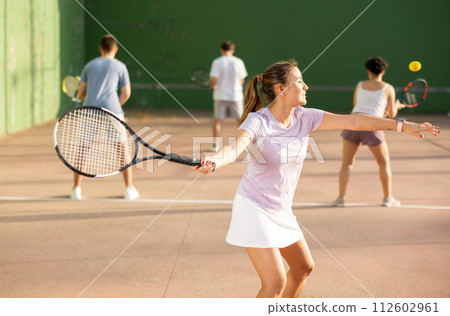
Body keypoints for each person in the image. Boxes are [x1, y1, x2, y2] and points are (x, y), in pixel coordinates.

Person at [194, 60, 439, 298]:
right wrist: (215, 161)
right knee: (275, 283)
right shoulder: (258, 121)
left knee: (303, 268)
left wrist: (402, 125)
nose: (306, 86)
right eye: (300, 81)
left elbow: (354, 120)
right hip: (254, 207)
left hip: (281, 209)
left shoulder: (305, 117)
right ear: (282, 89)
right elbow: (235, 148)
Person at [71, 34, 139, 200]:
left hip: (89, 109)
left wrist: (87, 98)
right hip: (113, 110)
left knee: (83, 148)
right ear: (115, 49)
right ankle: (129, 189)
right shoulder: (121, 66)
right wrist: (114, 108)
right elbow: (126, 93)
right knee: (122, 148)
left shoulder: (89, 65)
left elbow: (81, 92)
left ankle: (76, 190)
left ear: (101, 48)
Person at [333, 57, 405, 208]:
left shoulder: (360, 85)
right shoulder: (388, 88)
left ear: (368, 71)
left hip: (353, 122)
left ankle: (341, 199)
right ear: (383, 72)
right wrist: (397, 106)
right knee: (384, 163)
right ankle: (388, 198)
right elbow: (391, 114)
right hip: (372, 126)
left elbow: (356, 106)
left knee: (347, 163)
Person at [210, 41, 247, 151]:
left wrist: (213, 85)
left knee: (217, 121)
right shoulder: (239, 62)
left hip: (220, 95)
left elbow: (214, 80)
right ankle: (242, 145)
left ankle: (215, 145)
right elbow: (242, 80)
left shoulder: (217, 62)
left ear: (221, 50)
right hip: (235, 96)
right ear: (232, 50)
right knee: (240, 121)